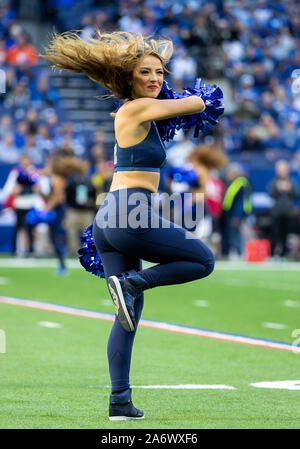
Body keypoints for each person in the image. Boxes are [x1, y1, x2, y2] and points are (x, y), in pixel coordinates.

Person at [41, 30, 219, 421]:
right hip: (128, 212)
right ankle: (134, 282)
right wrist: (200, 97)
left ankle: (119, 400)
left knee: (128, 315)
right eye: (146, 72)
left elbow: (178, 110)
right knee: (203, 260)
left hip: (114, 217)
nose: (155, 79)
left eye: (159, 72)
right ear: (130, 78)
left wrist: (172, 98)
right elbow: (198, 101)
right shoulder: (134, 109)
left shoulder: (140, 112)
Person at [268, 160, 299, 258]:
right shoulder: (274, 182)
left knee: (286, 234)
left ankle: (283, 254)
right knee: (275, 233)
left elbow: (296, 195)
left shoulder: (292, 181)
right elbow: (270, 194)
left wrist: (289, 189)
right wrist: (278, 188)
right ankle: (272, 253)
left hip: (288, 212)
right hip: (277, 212)